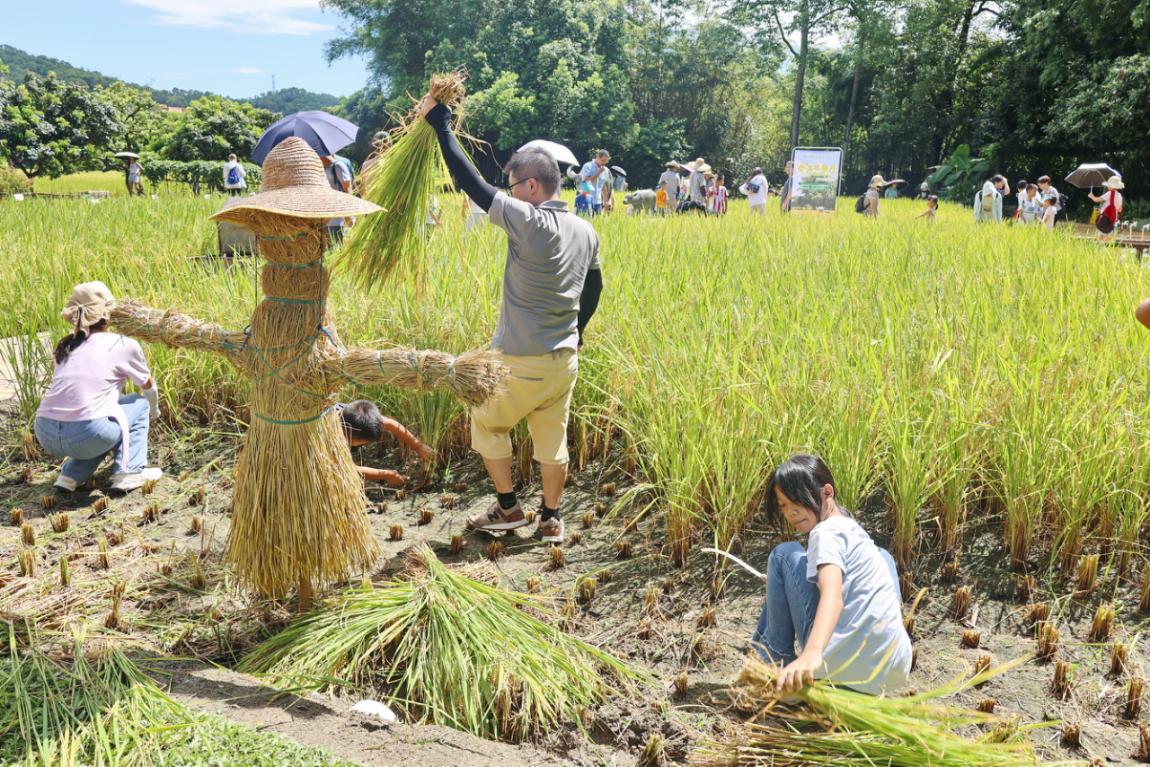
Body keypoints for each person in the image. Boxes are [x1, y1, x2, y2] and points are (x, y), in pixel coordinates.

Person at [421, 93, 603, 545]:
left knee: (487, 421)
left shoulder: (530, 220)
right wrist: (578, 333)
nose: (510, 190)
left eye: (514, 183)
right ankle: (552, 518)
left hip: (520, 359)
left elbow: (472, 184)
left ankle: (507, 509)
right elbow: (595, 288)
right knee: (551, 438)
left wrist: (440, 122)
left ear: (533, 187)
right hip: (562, 361)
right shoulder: (586, 229)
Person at [752, 454, 912, 695]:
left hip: (838, 665)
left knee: (784, 555)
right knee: (882, 555)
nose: (790, 513)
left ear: (827, 492)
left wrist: (812, 654)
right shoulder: (855, 533)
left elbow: (832, 596)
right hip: (893, 668)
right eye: (783, 505)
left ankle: (773, 665)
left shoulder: (824, 533)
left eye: (796, 500)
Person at [34, 282, 163, 494]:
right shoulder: (121, 344)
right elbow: (149, 388)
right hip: (87, 432)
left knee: (101, 420)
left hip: (45, 432)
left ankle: (70, 475)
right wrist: (154, 411)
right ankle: (129, 473)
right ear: (107, 314)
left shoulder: (65, 345)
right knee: (138, 404)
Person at [338, 400, 435, 487]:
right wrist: (388, 475)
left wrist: (418, 446)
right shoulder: (331, 437)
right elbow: (347, 469)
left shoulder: (362, 418)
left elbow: (392, 425)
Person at [322, 154, 353, 242]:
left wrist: (348, 214)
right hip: (326, 219)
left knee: (339, 250)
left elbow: (348, 190)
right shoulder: (321, 169)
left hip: (340, 220)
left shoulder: (338, 166)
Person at [579, 150, 611, 216]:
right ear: (598, 157)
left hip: (598, 202)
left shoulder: (605, 170)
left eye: (606, 161)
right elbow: (586, 182)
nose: (604, 163)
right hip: (586, 201)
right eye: (603, 160)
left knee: (597, 223)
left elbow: (603, 185)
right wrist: (598, 173)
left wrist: (606, 200)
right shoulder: (588, 166)